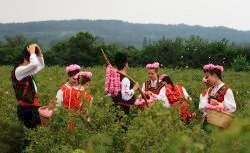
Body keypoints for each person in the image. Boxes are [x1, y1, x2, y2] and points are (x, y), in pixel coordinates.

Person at [11, 44, 45, 128]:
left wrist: (38, 50)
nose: (34, 60)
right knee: (29, 135)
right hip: (26, 109)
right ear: (26, 58)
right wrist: (32, 52)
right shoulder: (19, 70)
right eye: (32, 58)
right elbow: (34, 65)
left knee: (35, 133)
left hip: (32, 107)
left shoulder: (27, 72)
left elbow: (40, 65)